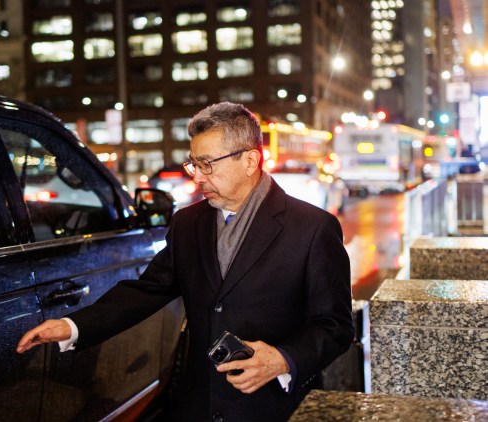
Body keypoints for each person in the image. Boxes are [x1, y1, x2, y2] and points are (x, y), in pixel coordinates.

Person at [17, 102, 354, 421]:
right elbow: (146, 290)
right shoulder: (188, 222)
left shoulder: (313, 228)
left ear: (250, 161)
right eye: (194, 163)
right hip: (196, 404)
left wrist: (283, 360)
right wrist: (74, 326)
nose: (197, 177)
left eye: (208, 164)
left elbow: (335, 326)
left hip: (275, 408)